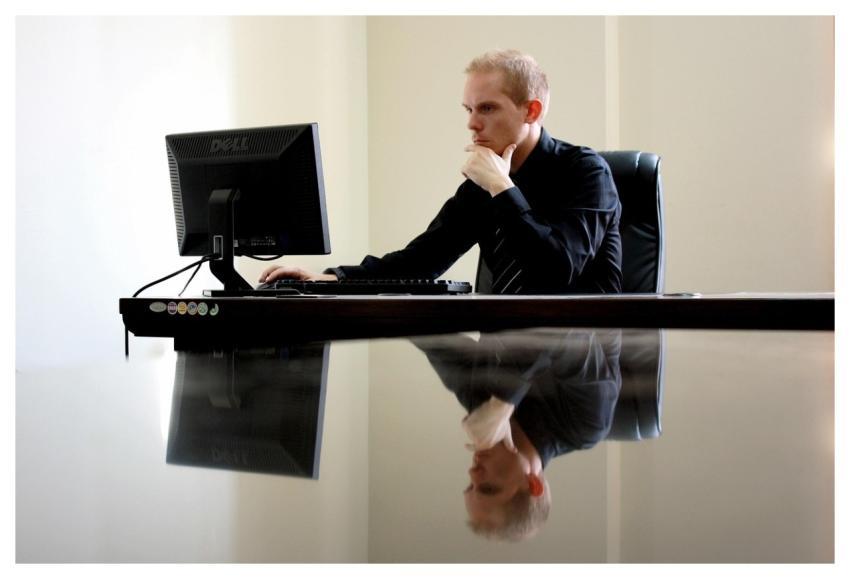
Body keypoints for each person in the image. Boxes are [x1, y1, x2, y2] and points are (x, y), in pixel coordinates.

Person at [260, 49, 622, 294]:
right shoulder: (482, 185)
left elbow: (557, 269)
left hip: (579, 360)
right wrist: (330, 279)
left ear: (531, 111)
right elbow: (420, 262)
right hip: (502, 357)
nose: (472, 124)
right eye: (468, 109)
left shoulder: (587, 172)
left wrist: (501, 186)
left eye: (487, 108)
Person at [411, 329, 623, 541]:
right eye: (488, 488)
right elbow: (561, 330)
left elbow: (434, 339)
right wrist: (502, 404)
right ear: (533, 484)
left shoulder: (481, 406)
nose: (473, 473)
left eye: (470, 486)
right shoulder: (585, 425)